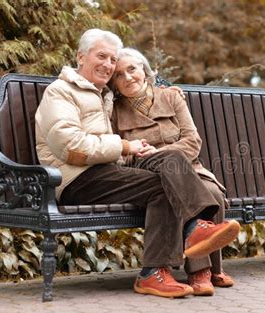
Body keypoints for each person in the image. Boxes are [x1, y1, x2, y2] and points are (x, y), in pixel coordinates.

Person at [35, 28, 240, 298]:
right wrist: (125, 146)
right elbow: (69, 146)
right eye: (102, 57)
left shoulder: (102, 95)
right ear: (80, 57)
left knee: (169, 163)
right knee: (162, 186)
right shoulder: (61, 92)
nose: (109, 65)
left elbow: (140, 97)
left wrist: (163, 96)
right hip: (74, 179)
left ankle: (167, 261)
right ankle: (184, 242)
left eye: (112, 59)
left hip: (107, 172)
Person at [109, 48, 235, 296]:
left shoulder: (171, 98)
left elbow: (192, 141)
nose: (127, 77)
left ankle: (202, 270)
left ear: (144, 71)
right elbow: (117, 151)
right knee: (172, 187)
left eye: (132, 69)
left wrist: (162, 152)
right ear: (114, 83)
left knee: (212, 191)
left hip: (188, 168)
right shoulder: (114, 109)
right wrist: (142, 154)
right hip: (144, 173)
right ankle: (202, 271)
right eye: (119, 75)